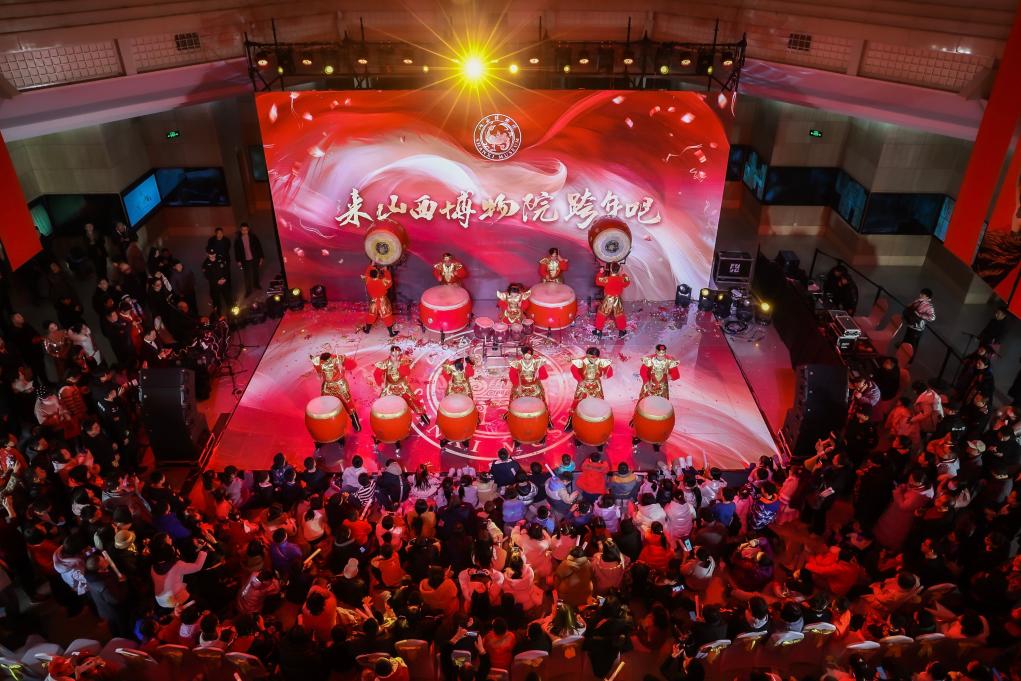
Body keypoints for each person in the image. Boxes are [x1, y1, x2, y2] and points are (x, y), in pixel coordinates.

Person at [373, 346, 428, 426]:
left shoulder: (403, 362)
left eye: (398, 356)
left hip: (403, 386)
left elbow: (407, 373)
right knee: (383, 402)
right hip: (389, 387)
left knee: (413, 400)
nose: (395, 358)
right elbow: (376, 374)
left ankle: (423, 416)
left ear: (400, 355)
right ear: (390, 354)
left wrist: (399, 366)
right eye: (393, 356)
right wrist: (380, 383)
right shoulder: (385, 363)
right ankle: (386, 421)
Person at [310, 351, 360, 431]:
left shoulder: (336, 358)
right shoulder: (333, 359)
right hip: (329, 386)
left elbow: (351, 364)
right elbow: (319, 372)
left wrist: (344, 365)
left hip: (339, 385)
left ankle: (356, 424)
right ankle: (332, 425)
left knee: (348, 404)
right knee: (326, 405)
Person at [566, 347, 612, 431]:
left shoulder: (600, 361)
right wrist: (580, 379)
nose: (593, 359)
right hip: (583, 383)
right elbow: (573, 368)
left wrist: (607, 372)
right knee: (577, 400)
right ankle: (571, 421)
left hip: (596, 384)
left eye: (595, 358)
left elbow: (608, 370)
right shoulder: (582, 361)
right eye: (590, 357)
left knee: (599, 402)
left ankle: (597, 421)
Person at [593, 262, 630, 337]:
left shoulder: (607, 279)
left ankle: (598, 331)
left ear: (610, 269)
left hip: (608, 300)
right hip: (617, 300)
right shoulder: (621, 279)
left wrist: (601, 273)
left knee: (601, 314)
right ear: (619, 270)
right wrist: (622, 273)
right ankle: (622, 331)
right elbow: (627, 282)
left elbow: (598, 281)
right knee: (619, 315)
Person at [361, 264, 397, 336]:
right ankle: (391, 333)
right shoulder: (383, 282)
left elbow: (366, 274)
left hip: (373, 301)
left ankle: (367, 330)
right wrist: (386, 271)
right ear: (377, 275)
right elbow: (389, 282)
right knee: (387, 316)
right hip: (382, 301)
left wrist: (371, 266)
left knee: (371, 315)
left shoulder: (367, 280)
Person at [898, 288, 936, 356]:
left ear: (927, 297)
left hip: (917, 328)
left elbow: (932, 317)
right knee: (906, 339)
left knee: (912, 344)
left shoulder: (929, 306)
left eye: (922, 294)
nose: (920, 295)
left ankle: (908, 358)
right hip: (911, 324)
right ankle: (901, 352)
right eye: (921, 293)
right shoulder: (918, 300)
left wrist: (920, 315)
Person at [234, 222, 264, 296]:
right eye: (243, 230)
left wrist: (261, 257)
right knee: (247, 276)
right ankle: (248, 290)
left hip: (254, 258)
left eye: (246, 230)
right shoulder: (238, 240)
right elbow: (237, 251)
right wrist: (238, 261)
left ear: (248, 230)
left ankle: (256, 284)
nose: (244, 231)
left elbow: (259, 247)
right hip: (245, 260)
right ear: (240, 230)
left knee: (256, 272)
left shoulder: (253, 237)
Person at [201, 248, 232, 316]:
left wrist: (225, 278)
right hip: (215, 286)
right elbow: (207, 276)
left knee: (229, 300)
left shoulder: (221, 259)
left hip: (224, 284)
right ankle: (219, 317)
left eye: (214, 254)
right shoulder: (205, 264)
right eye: (210, 254)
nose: (212, 255)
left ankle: (232, 315)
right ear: (207, 254)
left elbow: (226, 270)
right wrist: (217, 281)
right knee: (217, 303)